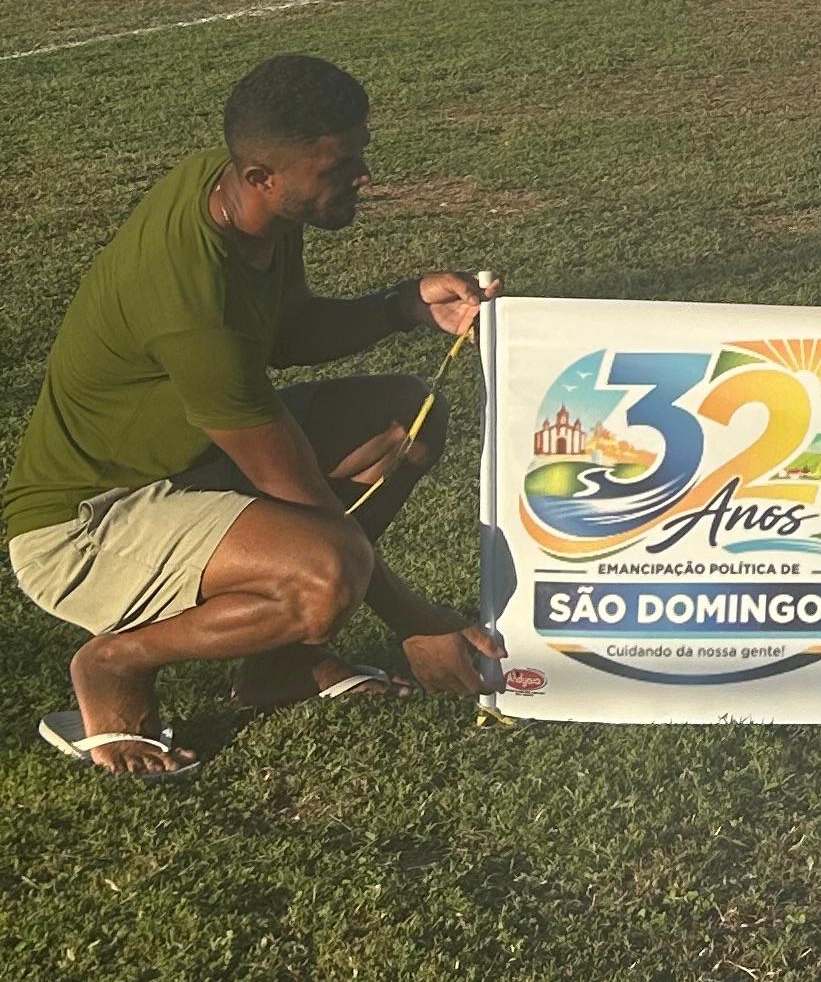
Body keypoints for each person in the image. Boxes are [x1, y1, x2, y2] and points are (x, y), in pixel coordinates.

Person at [5, 56, 502, 777]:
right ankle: (112, 664)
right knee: (324, 572)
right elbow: (302, 495)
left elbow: (288, 330)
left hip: (180, 469)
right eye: (341, 166)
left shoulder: (245, 192)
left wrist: (400, 305)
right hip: (85, 526)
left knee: (406, 418)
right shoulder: (189, 300)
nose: (362, 176)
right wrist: (417, 624)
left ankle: (278, 670)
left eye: (358, 154)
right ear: (264, 177)